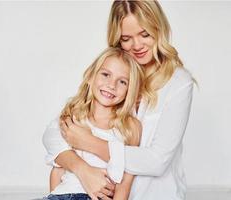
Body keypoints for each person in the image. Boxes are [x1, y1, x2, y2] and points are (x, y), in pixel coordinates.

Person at [43, 1, 194, 200]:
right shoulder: (113, 74)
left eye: (145, 34)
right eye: (126, 38)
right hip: (99, 192)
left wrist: (89, 142)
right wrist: (83, 170)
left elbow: (157, 161)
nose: (137, 45)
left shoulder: (179, 83)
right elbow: (55, 133)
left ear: (158, 29)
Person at [43, 47, 143, 200]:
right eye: (105, 74)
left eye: (122, 82)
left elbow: (125, 183)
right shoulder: (74, 118)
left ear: (129, 90)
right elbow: (57, 171)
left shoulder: (129, 128)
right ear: (91, 76)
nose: (112, 85)